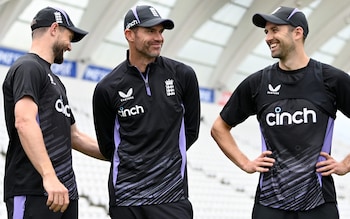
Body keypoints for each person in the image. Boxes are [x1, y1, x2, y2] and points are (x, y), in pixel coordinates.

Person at [211, 6, 350, 219]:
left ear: (297, 32)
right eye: (266, 31)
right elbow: (219, 127)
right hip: (269, 204)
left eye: (275, 30)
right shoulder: (257, 83)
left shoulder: (330, 79)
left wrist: (345, 165)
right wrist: (245, 163)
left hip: (319, 203)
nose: (268, 37)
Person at [92, 5, 201, 219]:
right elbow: (108, 145)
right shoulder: (107, 88)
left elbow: (191, 131)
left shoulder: (183, 75)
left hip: (171, 196)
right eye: (151, 31)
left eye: (161, 31)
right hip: (125, 198)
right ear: (129, 34)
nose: (159, 37)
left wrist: (160, 158)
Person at [2, 6, 106, 219]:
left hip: (64, 192)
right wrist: (49, 176)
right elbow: (24, 121)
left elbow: (74, 136)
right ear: (54, 29)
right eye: (69, 37)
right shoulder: (27, 67)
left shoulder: (56, 81)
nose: (69, 46)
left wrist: (121, 155)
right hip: (34, 188)